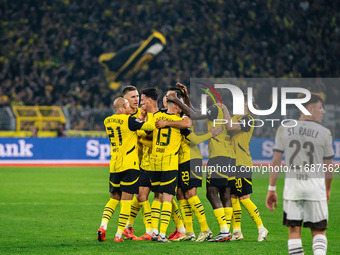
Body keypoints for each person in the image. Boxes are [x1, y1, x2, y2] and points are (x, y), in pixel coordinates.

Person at [266, 93, 334, 255]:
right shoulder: (324, 132)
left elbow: (275, 161)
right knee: (318, 231)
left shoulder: (284, 128)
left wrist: (271, 188)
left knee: (294, 231)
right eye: (320, 108)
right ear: (309, 109)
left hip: (293, 190)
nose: (323, 112)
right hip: (315, 189)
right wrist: (327, 189)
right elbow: (329, 167)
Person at [167, 85, 235, 242]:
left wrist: (178, 99)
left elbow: (193, 115)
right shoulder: (219, 109)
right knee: (221, 193)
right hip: (221, 155)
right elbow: (192, 113)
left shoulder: (216, 108)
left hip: (216, 156)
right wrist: (185, 96)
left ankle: (222, 230)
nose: (203, 101)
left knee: (210, 193)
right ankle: (227, 230)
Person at [97, 97, 155, 242]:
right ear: (124, 106)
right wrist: (151, 114)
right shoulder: (128, 120)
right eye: (128, 105)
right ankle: (118, 235)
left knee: (113, 197)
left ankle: (103, 226)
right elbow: (149, 127)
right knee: (126, 201)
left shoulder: (107, 121)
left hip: (115, 164)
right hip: (130, 165)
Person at [219, 96, 268, 242]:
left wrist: (225, 110)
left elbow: (230, 127)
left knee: (244, 198)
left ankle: (262, 228)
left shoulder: (248, 119)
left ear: (246, 103)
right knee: (233, 198)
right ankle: (237, 232)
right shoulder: (235, 117)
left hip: (242, 163)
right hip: (231, 163)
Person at [149, 92, 187, 243]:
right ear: (177, 107)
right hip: (169, 163)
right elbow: (189, 123)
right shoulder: (179, 121)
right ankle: (162, 235)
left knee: (157, 198)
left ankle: (153, 231)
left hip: (154, 162)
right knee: (167, 199)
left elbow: (146, 130)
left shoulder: (157, 118)